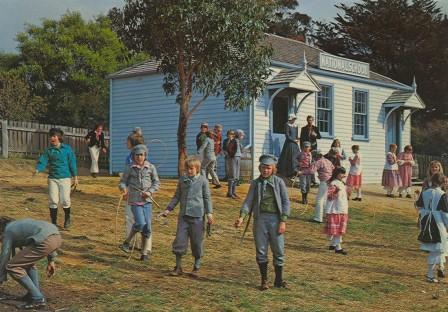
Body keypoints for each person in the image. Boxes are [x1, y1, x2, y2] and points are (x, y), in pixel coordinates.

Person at [235, 154, 290, 290]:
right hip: (260, 220)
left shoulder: (279, 182)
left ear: (273, 169)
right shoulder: (255, 183)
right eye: (263, 168)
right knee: (261, 250)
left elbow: (285, 202)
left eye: (268, 168)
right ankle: (264, 280)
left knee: (279, 249)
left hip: (276, 220)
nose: (265, 170)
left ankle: (278, 280)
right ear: (260, 168)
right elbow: (248, 201)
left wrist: (283, 221)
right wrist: (242, 217)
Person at [160, 156, 213, 277]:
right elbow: (176, 196)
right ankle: (178, 267)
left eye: (191, 169)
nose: (189, 171)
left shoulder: (203, 181)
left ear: (197, 169)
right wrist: (168, 209)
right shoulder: (182, 180)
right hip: (184, 216)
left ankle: (196, 267)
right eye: (187, 169)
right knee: (180, 240)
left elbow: (207, 198)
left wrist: (209, 213)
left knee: (197, 242)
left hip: (197, 217)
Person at [0, 217, 62, 309]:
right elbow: (47, 233)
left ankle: (38, 299)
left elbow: (5, 255)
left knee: (12, 267)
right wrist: (51, 260)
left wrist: (1, 278)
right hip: (57, 237)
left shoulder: (8, 231)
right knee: (27, 264)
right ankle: (32, 294)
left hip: (47, 240)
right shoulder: (19, 226)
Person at [119, 144, 160, 261]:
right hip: (135, 200)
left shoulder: (151, 167)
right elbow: (122, 182)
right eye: (136, 155)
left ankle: (144, 253)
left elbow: (156, 183)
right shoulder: (129, 168)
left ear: (145, 156)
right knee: (141, 223)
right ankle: (126, 242)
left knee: (147, 228)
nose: (139, 157)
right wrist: (123, 188)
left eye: (141, 155)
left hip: (147, 201)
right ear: (133, 156)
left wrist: (150, 192)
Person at [35, 128, 78, 229]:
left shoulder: (67, 149)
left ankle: (67, 218)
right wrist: (38, 169)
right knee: (53, 200)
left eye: (54, 136)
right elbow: (43, 161)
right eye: (50, 136)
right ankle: (53, 222)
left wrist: (75, 177)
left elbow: (72, 163)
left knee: (65, 200)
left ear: (59, 137)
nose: (52, 138)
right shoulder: (49, 151)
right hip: (53, 179)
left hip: (65, 178)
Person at [415, 173, 448, 283]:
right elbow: (445, 213)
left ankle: (441, 268)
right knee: (437, 249)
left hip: (427, 222)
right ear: (442, 182)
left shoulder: (425, 192)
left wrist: (423, 214)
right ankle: (430, 274)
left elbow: (419, 205)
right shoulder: (442, 194)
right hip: (437, 223)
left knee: (437, 249)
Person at [325, 166, 350, 255]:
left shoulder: (341, 183)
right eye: (342, 173)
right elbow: (329, 196)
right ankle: (338, 248)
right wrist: (335, 192)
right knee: (338, 230)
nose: (343, 175)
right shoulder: (334, 183)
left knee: (338, 229)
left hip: (342, 208)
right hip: (336, 210)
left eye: (344, 173)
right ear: (337, 174)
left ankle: (333, 244)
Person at [312, 149, 335, 223]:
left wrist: (302, 172)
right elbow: (333, 168)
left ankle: (318, 218)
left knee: (319, 200)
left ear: (316, 156)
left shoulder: (318, 162)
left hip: (324, 181)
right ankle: (327, 216)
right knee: (325, 200)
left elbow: (312, 171)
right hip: (330, 181)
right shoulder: (327, 161)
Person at [278, 114, 300, 178]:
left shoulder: (295, 126)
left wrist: (297, 139)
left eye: (295, 119)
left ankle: (295, 172)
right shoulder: (287, 125)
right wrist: (293, 140)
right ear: (291, 119)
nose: (294, 120)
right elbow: (287, 135)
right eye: (293, 119)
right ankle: (290, 173)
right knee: (290, 157)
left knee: (296, 157)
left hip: (295, 144)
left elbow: (296, 135)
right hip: (289, 143)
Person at [226, 129, 245, 198]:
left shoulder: (238, 142)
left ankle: (233, 192)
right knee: (232, 175)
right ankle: (229, 193)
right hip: (233, 158)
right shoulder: (233, 141)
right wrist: (231, 155)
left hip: (238, 158)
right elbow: (228, 148)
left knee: (236, 176)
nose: (243, 136)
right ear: (239, 135)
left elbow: (242, 150)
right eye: (242, 135)